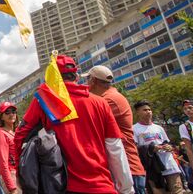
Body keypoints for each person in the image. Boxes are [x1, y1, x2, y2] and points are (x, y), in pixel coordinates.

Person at [14, 55, 133, 194]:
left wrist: (20, 172)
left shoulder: (43, 101)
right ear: (76, 76)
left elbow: (20, 135)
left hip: (60, 186)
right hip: (102, 185)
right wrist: (126, 189)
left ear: (53, 77)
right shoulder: (100, 103)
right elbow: (115, 148)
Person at [85, 65, 147, 194]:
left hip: (126, 168)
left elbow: (88, 122)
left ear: (93, 81)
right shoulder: (110, 96)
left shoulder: (109, 100)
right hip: (121, 167)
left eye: (87, 79)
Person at [133, 100, 184, 194]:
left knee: (178, 191)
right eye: (144, 110)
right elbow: (134, 149)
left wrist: (169, 147)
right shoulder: (134, 129)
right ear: (137, 113)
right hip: (153, 168)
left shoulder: (158, 128)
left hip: (169, 164)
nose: (148, 112)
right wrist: (151, 148)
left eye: (149, 109)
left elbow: (168, 143)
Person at [0, 102, 19, 194]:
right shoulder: (1, 134)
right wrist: (12, 188)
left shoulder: (15, 132)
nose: (12, 114)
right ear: (1, 117)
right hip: (11, 176)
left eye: (13, 111)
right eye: (7, 112)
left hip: (19, 174)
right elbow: (3, 163)